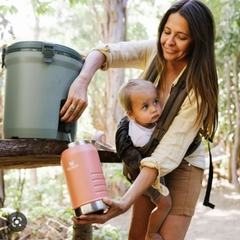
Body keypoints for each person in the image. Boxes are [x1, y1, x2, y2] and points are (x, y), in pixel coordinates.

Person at [60, 0, 219, 239]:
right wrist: (82, 81)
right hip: (147, 158)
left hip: (183, 162)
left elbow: (168, 153)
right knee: (137, 236)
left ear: (198, 41)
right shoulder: (154, 52)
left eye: (181, 37)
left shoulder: (199, 89)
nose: (169, 42)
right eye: (166, 32)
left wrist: (123, 203)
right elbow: (105, 52)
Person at [118, 79, 172, 239]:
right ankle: (151, 232)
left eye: (155, 102)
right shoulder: (139, 137)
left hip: (146, 170)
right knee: (165, 204)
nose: (154, 109)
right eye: (145, 106)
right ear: (131, 114)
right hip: (143, 173)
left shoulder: (147, 122)